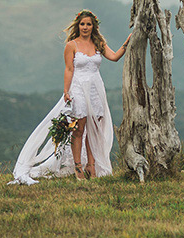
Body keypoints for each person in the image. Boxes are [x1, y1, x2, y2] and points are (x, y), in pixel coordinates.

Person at [9, 10, 131, 185]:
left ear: (93, 26)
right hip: (78, 88)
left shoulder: (99, 43)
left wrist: (127, 44)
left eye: (89, 24)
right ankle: (78, 167)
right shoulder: (71, 45)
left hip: (96, 88)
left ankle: (92, 165)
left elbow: (114, 57)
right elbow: (69, 69)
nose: (85, 27)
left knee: (94, 129)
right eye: (82, 24)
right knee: (79, 129)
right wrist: (66, 91)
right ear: (78, 26)